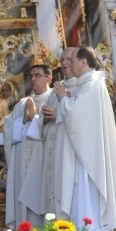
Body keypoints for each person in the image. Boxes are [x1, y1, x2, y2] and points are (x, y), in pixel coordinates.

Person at [54, 47, 116, 231]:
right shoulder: (88, 85)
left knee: (88, 200)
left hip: (90, 160)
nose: (69, 64)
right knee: (82, 201)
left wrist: (63, 98)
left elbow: (74, 115)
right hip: (85, 155)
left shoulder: (93, 85)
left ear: (84, 62)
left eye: (73, 60)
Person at [4, 64, 53, 227]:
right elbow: (8, 128)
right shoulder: (23, 103)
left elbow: (55, 131)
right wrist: (23, 120)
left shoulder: (54, 99)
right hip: (24, 166)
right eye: (31, 76)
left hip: (45, 164)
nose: (33, 79)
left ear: (48, 78)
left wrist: (34, 118)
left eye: (37, 75)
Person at [39, 47, 79, 218]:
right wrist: (45, 119)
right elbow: (42, 121)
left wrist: (61, 114)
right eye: (62, 60)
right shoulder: (57, 88)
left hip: (72, 152)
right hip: (54, 151)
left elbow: (82, 119)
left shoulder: (83, 87)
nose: (64, 63)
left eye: (69, 59)